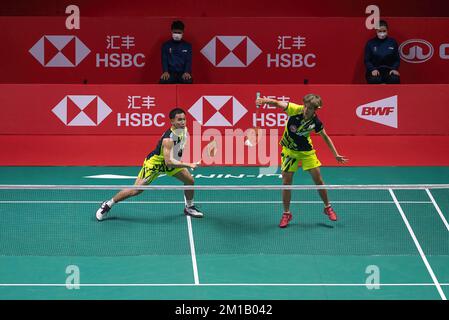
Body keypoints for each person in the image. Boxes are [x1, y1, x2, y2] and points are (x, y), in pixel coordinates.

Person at [255, 94, 348, 228]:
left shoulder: (316, 122)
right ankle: (286, 213)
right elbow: (277, 103)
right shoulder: (295, 109)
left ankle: (328, 207)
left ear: (316, 109)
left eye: (309, 108)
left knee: (319, 181)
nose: (305, 110)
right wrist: (264, 101)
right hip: (289, 151)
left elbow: (325, 137)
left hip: (306, 152)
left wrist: (336, 154)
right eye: (305, 106)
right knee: (286, 183)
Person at [95, 108, 203, 221]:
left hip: (171, 163)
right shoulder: (168, 139)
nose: (183, 122)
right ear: (172, 121)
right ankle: (108, 205)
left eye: (184, 119)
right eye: (179, 120)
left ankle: (189, 207)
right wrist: (189, 164)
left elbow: (176, 152)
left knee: (189, 181)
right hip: (155, 165)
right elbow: (169, 162)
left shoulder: (183, 130)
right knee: (136, 190)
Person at [364, 20, 400, 84]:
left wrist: (394, 69)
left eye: (384, 31)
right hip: (375, 70)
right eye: (380, 31)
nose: (382, 33)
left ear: (387, 30)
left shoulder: (392, 42)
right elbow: (367, 60)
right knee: (374, 80)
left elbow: (397, 59)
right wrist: (372, 69)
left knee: (394, 79)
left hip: (389, 71)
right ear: (376, 31)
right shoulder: (370, 43)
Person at [159, 20, 193, 84]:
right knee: (163, 80)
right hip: (170, 73)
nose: (177, 35)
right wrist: (165, 71)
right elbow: (164, 59)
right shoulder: (166, 45)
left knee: (188, 80)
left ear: (183, 32)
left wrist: (186, 72)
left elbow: (188, 60)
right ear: (171, 32)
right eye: (175, 32)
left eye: (179, 32)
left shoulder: (188, 46)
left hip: (182, 73)